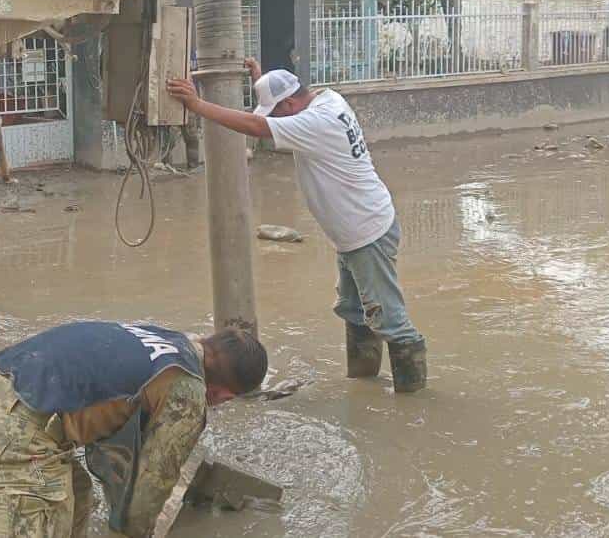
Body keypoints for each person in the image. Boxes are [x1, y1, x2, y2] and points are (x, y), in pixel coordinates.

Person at [166, 59, 426, 392]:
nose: (274, 120)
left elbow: (256, 128)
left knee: (390, 320)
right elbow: (266, 117)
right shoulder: (327, 100)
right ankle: (364, 387)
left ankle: (413, 404)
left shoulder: (318, 121)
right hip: (356, 231)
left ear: (290, 104)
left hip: (367, 233)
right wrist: (262, 81)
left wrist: (197, 105)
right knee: (356, 312)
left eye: (276, 111)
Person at [0, 321, 267, 538]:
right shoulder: (187, 389)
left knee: (77, 494)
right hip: (12, 441)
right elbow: (154, 482)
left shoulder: (164, 339)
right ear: (225, 395)